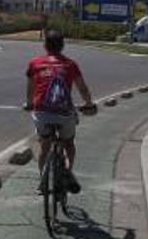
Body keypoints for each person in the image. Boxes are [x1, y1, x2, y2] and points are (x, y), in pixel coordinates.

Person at [23, 29, 96, 194]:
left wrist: (29, 103)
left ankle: (42, 182)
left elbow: (31, 87)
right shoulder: (70, 65)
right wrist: (88, 103)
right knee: (69, 143)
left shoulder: (34, 63)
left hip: (41, 113)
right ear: (62, 46)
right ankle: (68, 172)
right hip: (64, 113)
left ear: (44, 46)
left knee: (44, 147)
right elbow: (82, 88)